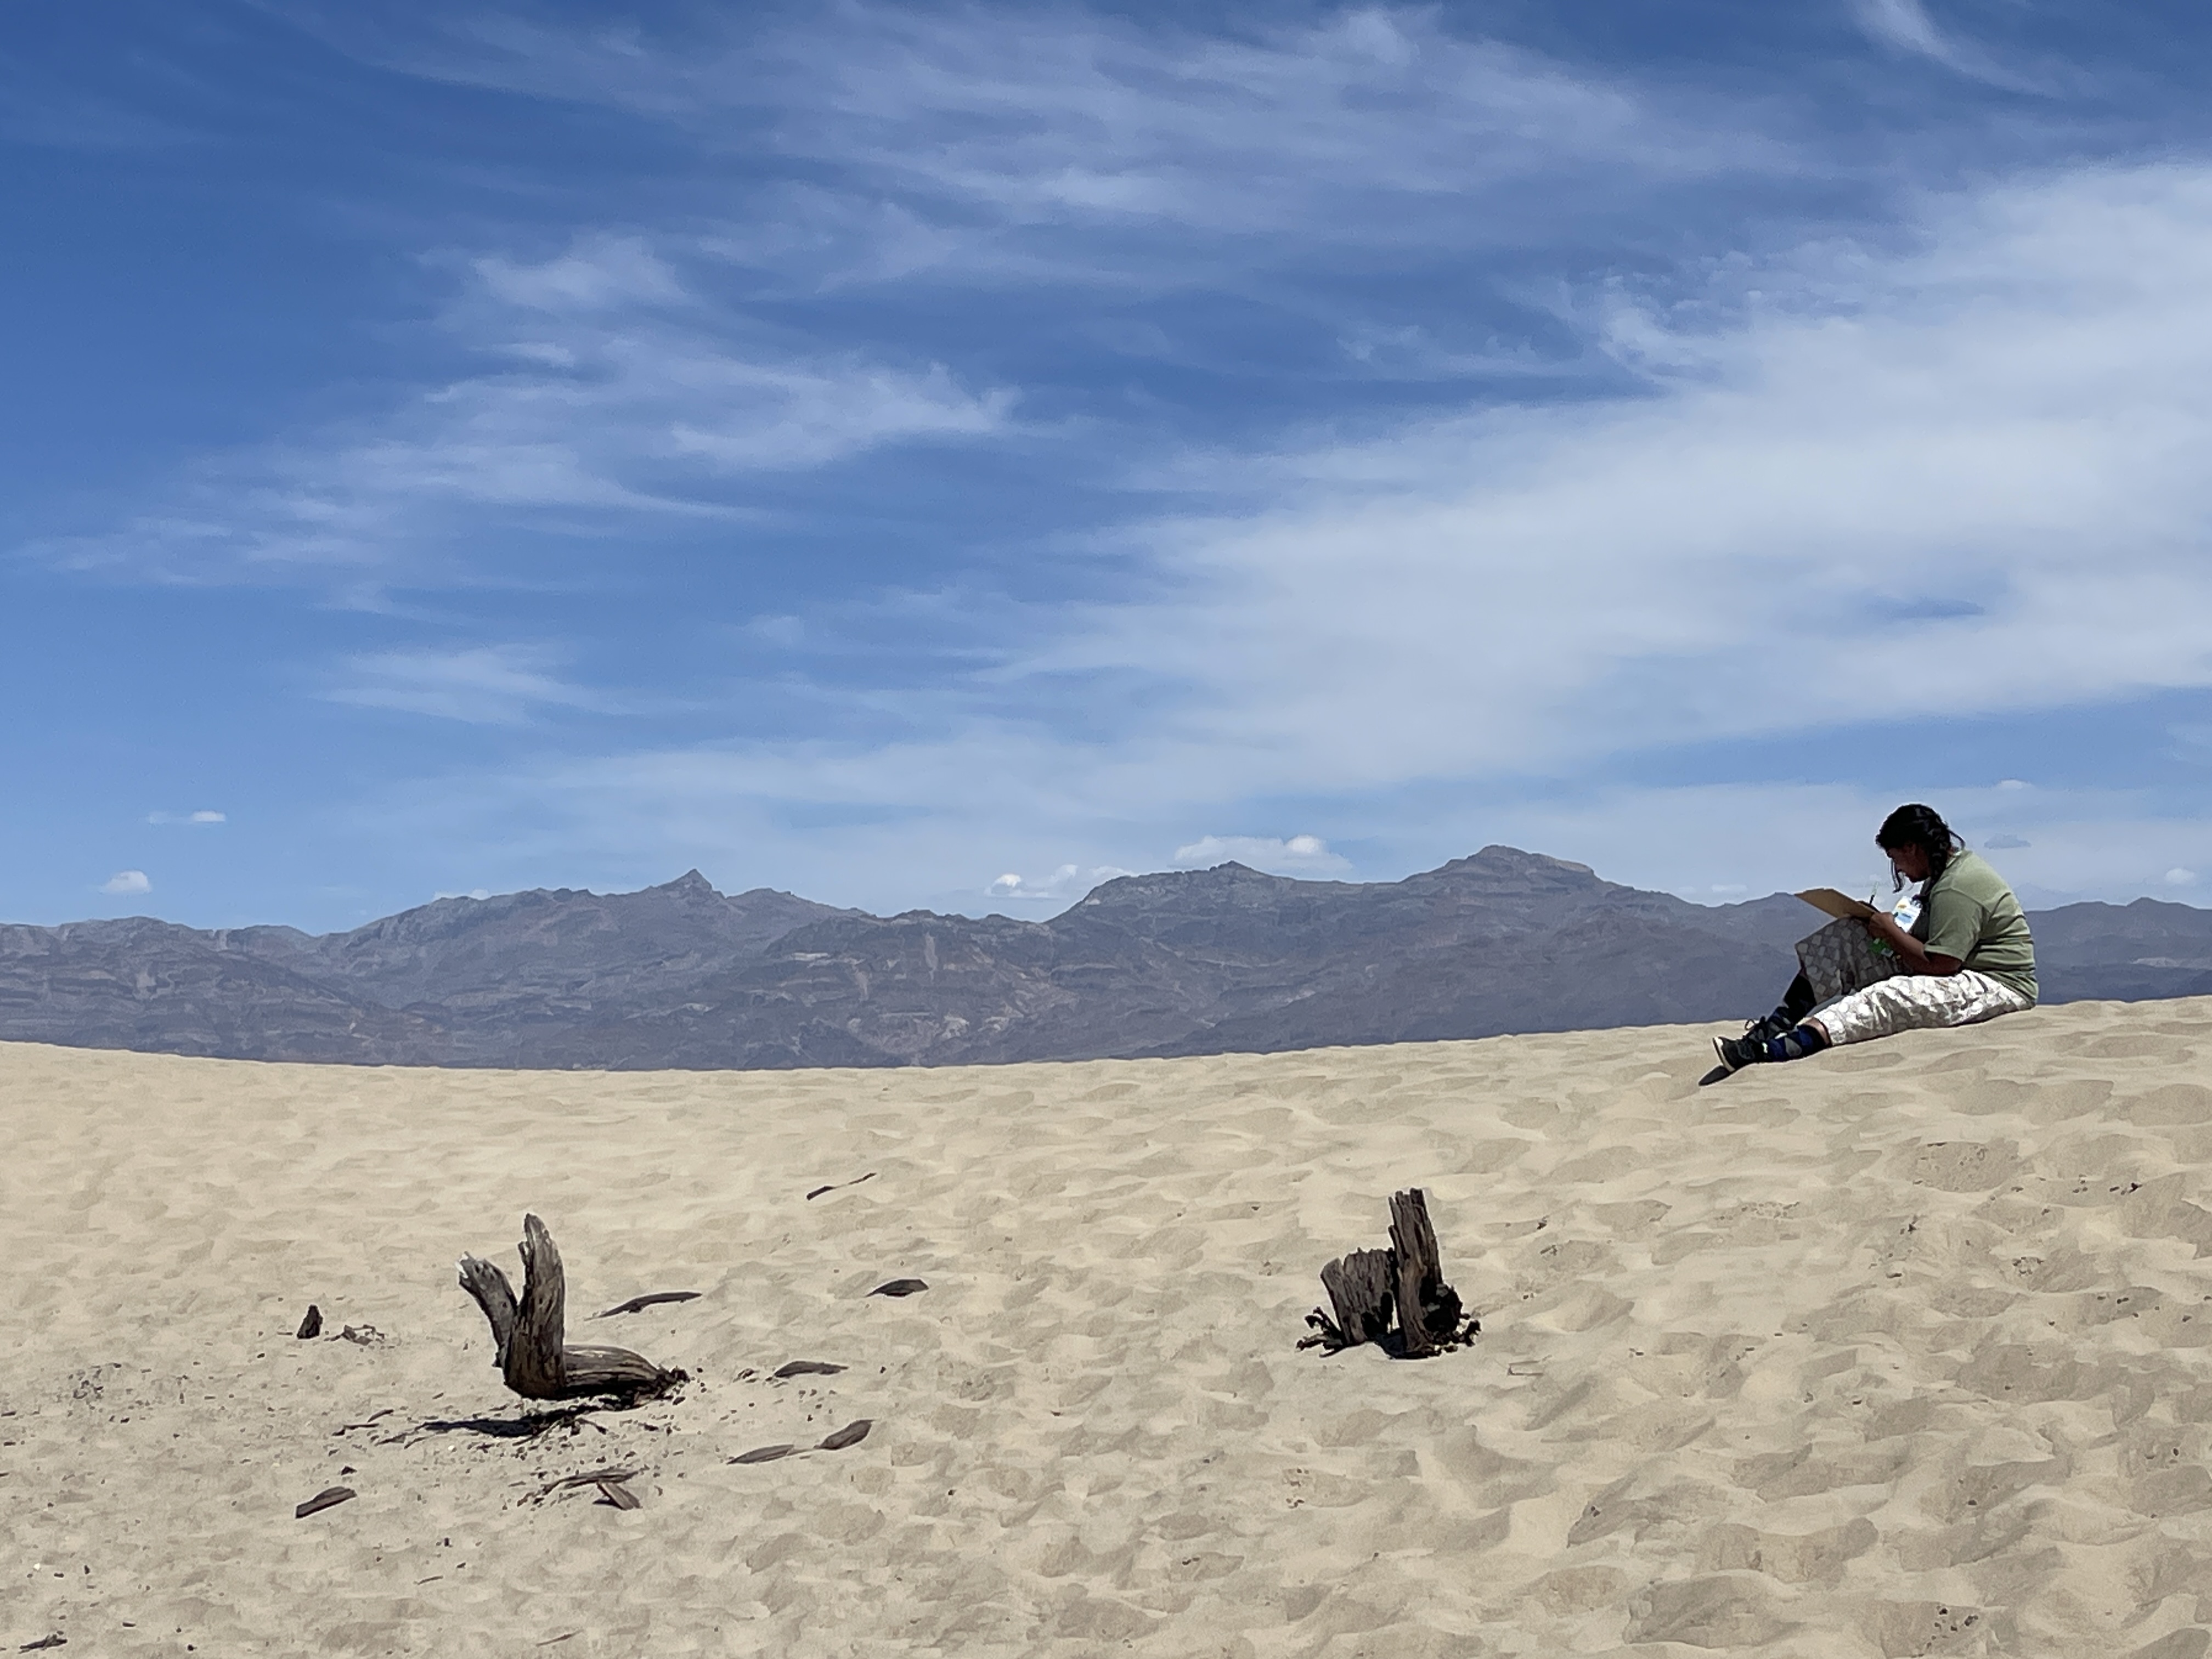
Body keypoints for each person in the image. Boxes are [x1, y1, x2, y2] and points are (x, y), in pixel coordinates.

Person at [1707, 803, 2036, 1077]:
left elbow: (1942, 965)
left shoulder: (1958, 885)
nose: (1898, 868)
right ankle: (1775, 1026)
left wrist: (1890, 932)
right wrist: (1877, 927)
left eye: (1897, 858)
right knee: (1847, 937)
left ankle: (1774, 1050)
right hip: (1957, 968)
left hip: (1997, 983)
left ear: (1912, 847)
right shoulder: (1943, 875)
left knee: (1886, 997)